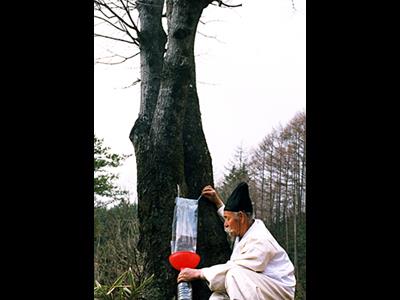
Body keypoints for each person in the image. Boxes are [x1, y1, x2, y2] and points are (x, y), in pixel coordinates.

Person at [177, 182, 296, 300]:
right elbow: (232, 219)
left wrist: (199, 273)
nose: (226, 224)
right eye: (225, 218)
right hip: (259, 285)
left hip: (279, 291)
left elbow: (234, 269)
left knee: (234, 275)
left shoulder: (260, 240)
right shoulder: (244, 228)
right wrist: (217, 202)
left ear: (242, 217)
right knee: (218, 297)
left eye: (227, 219)